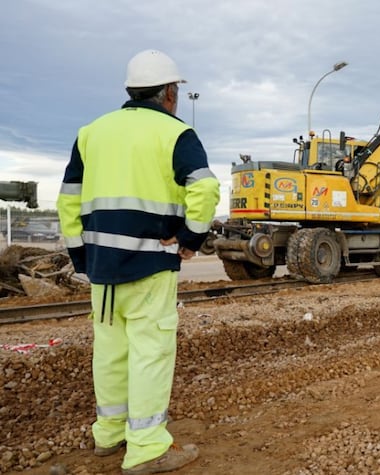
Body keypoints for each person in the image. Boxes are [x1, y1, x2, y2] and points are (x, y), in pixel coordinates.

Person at [57, 49, 220, 475]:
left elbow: (68, 199)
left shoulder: (91, 132)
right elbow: (204, 189)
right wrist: (190, 239)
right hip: (151, 264)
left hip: (102, 270)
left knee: (110, 351)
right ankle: (146, 448)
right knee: (150, 352)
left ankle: (108, 435)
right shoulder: (175, 133)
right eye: (176, 91)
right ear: (169, 92)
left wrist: (81, 256)